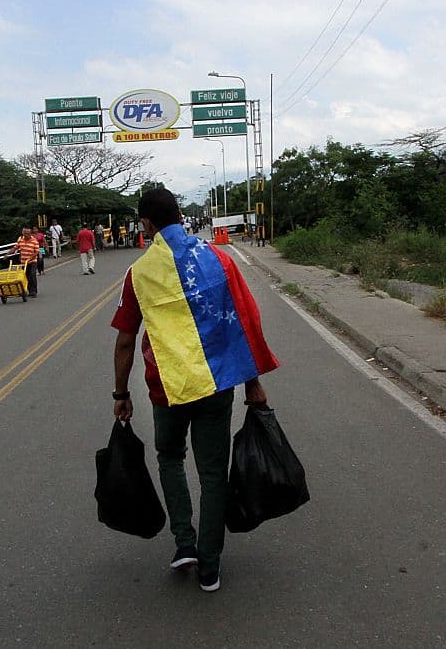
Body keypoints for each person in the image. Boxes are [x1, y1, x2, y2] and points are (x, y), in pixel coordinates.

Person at [111, 187, 279, 593]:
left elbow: (125, 341)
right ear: (180, 215)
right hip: (214, 384)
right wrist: (252, 382)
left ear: (146, 224)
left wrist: (121, 394)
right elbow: (244, 320)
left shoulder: (139, 273)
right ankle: (210, 565)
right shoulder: (218, 258)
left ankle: (184, 543)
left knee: (169, 457)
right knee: (211, 472)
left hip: (166, 389)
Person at [13, 226, 40, 297]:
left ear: (30, 233)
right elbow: (15, 248)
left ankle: (34, 291)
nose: (26, 235)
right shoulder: (21, 240)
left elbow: (36, 252)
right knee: (26, 277)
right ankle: (29, 290)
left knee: (32, 275)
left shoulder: (34, 241)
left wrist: (30, 259)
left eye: (27, 233)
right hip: (23, 262)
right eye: (24, 233)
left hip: (32, 261)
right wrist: (7, 255)